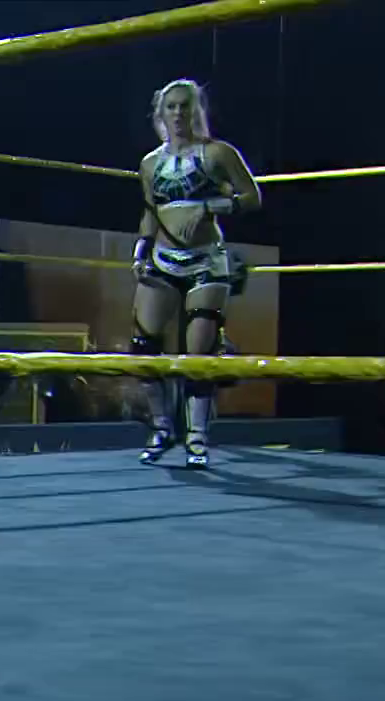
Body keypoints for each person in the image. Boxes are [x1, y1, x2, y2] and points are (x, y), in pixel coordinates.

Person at [131, 78, 262, 469]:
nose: (178, 114)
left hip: (206, 260)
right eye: (171, 106)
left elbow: (252, 197)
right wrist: (140, 251)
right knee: (142, 346)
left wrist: (209, 207)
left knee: (199, 354)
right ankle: (161, 428)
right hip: (163, 258)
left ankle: (197, 438)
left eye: (184, 106)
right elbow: (150, 212)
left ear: (196, 110)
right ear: (160, 113)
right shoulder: (150, 163)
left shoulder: (217, 153)